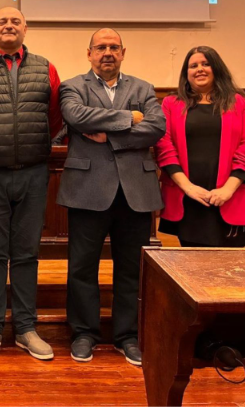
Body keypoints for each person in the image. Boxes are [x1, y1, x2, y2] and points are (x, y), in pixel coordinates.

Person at [0, 6, 63, 361]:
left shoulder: (46, 68)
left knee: (27, 253)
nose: (8, 25)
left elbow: (54, 116)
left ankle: (25, 328)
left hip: (33, 173)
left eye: (15, 21)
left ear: (25, 29)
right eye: (2, 21)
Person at [57, 28, 165, 367]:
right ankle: (83, 333)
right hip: (87, 189)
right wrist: (129, 119)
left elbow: (157, 127)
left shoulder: (143, 88)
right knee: (82, 267)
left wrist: (111, 136)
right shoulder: (73, 87)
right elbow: (77, 116)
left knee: (131, 268)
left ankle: (127, 335)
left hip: (136, 192)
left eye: (114, 47)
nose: (107, 52)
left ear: (123, 52)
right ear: (89, 53)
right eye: (101, 47)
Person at [155, 46, 245, 247]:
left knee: (233, 263)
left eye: (206, 64)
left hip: (230, 196)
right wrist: (188, 188)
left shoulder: (241, 102)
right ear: (186, 73)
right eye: (193, 65)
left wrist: (227, 190)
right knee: (192, 261)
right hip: (189, 197)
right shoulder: (171, 103)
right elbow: (164, 146)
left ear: (217, 68)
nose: (200, 69)